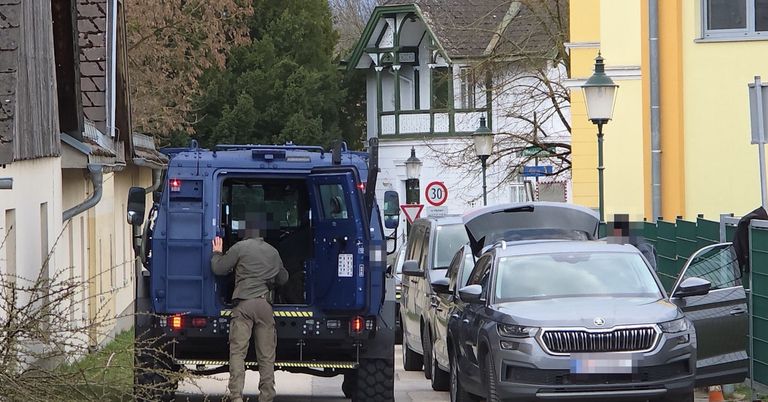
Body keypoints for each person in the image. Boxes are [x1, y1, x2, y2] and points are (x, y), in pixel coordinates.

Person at [211, 214, 288, 402]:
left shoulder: (240, 247)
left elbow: (219, 269)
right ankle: (266, 397)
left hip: (244, 306)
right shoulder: (273, 252)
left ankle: (236, 396)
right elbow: (283, 278)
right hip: (264, 305)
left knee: (238, 353)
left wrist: (217, 253)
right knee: (266, 357)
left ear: (245, 231)